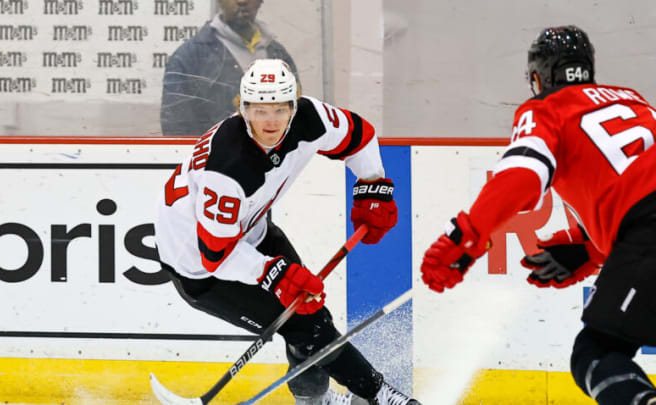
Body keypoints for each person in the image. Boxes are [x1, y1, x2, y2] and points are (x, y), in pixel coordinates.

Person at [155, 59, 420, 405]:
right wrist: (271, 273)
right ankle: (381, 396)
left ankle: (314, 401)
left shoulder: (309, 117)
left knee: (311, 313)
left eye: (280, 109)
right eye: (260, 110)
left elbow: (359, 134)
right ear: (243, 108)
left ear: (294, 106)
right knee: (305, 325)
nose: (271, 121)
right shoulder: (228, 167)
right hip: (200, 266)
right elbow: (215, 253)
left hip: (250, 232)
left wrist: (372, 184)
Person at [419, 25, 656, 405]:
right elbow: (635, 180)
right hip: (642, 226)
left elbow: (524, 174)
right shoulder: (634, 100)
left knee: (596, 353)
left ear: (537, 76)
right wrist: (591, 252)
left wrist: (468, 234)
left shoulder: (546, 108)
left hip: (648, 224)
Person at [160, 0, 299, 136]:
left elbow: (296, 117)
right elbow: (177, 132)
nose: (242, 1)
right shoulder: (189, 58)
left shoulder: (277, 54)